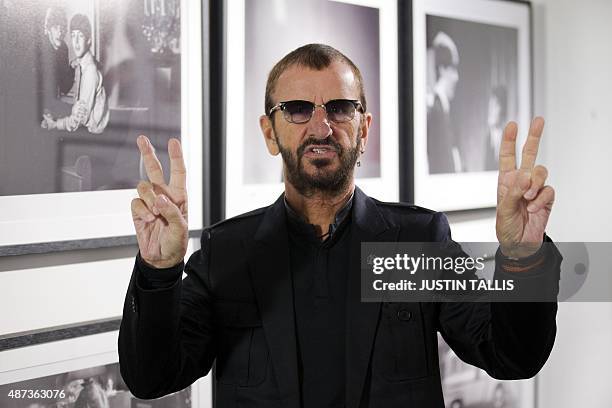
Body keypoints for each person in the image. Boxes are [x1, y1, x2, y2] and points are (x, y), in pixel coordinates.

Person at [119, 44, 560, 407]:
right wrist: (158, 270)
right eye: (296, 109)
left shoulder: (417, 240)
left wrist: (523, 256)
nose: (321, 126)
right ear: (269, 133)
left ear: (364, 129)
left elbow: (511, 356)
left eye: (341, 108)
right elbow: (152, 377)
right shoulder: (227, 252)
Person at [41, 14, 109, 134]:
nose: (76, 42)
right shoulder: (83, 64)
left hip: (90, 134)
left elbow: (78, 121)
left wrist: (55, 124)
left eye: (81, 36)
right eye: (73, 36)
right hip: (85, 129)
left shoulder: (89, 71)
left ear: (89, 40)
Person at [427, 31, 462, 174]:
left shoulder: (444, 108)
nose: (457, 77)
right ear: (442, 70)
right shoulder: (435, 109)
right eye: (453, 69)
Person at [38, 7, 74, 113]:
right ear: (48, 29)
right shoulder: (39, 49)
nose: (60, 32)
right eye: (55, 27)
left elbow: (64, 88)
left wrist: (72, 68)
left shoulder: (63, 48)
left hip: (52, 105)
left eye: (62, 27)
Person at [484, 86, 508, 171]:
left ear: (503, 109)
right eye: (490, 105)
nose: (490, 110)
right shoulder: (487, 137)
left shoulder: (509, 137)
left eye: (495, 105)